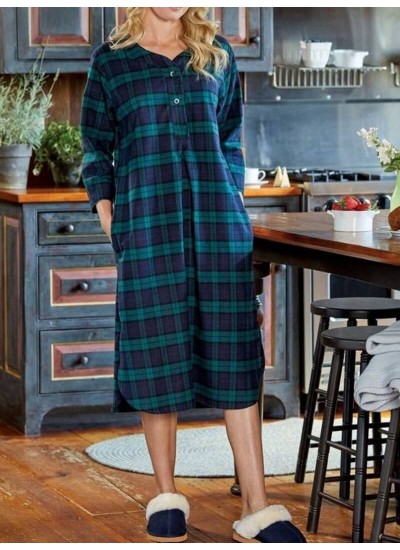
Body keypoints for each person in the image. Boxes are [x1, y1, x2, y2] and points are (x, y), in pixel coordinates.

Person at [80, 7, 306, 544]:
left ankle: (257, 506)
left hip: (218, 224)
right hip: (147, 226)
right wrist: (109, 213)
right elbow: (95, 147)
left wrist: (232, 199)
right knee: (157, 355)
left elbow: (230, 139)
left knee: (235, 355)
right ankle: (166, 497)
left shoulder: (217, 54)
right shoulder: (111, 63)